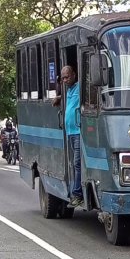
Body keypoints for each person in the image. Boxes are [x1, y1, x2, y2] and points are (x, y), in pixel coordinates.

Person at [53, 65, 82, 208]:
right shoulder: (69, 90)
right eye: (63, 78)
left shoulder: (80, 87)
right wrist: (59, 96)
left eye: (67, 77)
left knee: (78, 163)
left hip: (78, 132)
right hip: (70, 132)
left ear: (74, 75)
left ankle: (77, 194)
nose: (65, 80)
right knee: (74, 164)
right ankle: (75, 192)